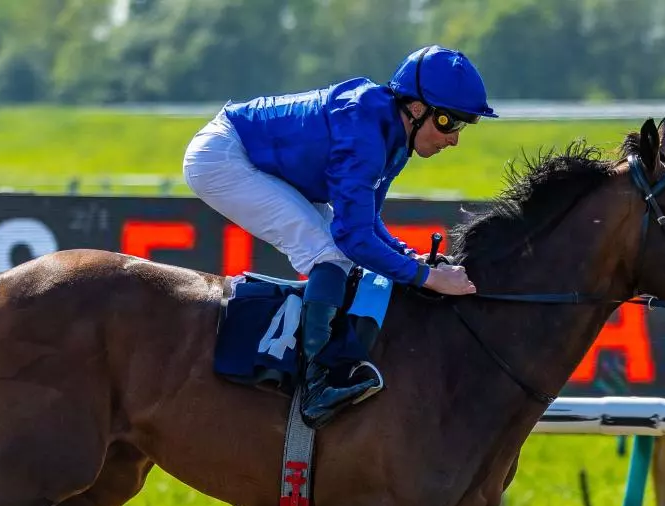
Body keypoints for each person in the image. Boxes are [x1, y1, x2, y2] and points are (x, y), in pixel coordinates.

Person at [183, 45, 498, 427]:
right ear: (416, 109)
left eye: (463, 126)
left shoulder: (394, 136)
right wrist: (428, 277)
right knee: (328, 253)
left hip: (252, 153)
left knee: (338, 252)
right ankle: (317, 381)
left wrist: (409, 257)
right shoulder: (365, 136)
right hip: (223, 157)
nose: (454, 139)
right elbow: (352, 238)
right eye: (449, 122)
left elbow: (366, 221)